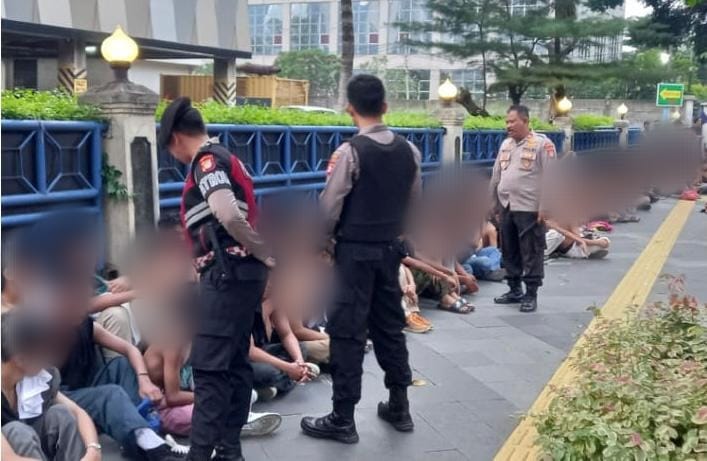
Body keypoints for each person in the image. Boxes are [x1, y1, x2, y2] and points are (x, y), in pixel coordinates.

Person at [300, 75, 420, 443]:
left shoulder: (350, 153)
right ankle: (399, 405)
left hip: (354, 255)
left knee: (348, 333)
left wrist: (322, 242)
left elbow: (329, 207)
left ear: (350, 108)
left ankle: (343, 417)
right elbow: (414, 202)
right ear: (384, 106)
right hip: (389, 251)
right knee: (389, 327)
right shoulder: (409, 151)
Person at [159, 97, 275, 461]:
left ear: (176, 138)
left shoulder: (206, 162)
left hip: (227, 274)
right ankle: (229, 450)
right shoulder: (227, 157)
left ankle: (202, 454)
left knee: (209, 369)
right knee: (235, 364)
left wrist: (262, 251)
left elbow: (227, 213)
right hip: (239, 275)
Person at [1, 312, 101, 461]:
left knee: (60, 414)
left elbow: (78, 412)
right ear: (20, 359)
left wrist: (93, 449)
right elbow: (8, 457)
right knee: (18, 432)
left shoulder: (31, 380)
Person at [490, 105, 556, 313]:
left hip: (530, 207)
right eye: (507, 122)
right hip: (507, 204)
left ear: (525, 121)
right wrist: (493, 203)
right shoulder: (506, 144)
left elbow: (551, 178)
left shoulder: (542, 144)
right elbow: (496, 175)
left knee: (531, 251)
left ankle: (531, 293)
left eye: (512, 121)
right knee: (509, 248)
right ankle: (514, 289)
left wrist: (545, 206)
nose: (508, 125)